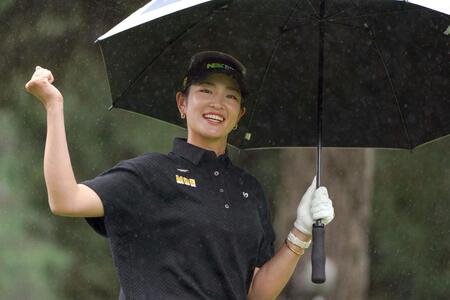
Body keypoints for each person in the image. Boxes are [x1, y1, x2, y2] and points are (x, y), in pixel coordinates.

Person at [25, 51, 335, 300]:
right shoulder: (149, 174)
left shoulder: (248, 190)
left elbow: (256, 291)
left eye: (231, 96)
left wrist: (301, 230)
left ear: (240, 115)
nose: (217, 103)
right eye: (205, 90)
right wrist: (54, 106)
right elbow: (65, 199)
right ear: (182, 103)